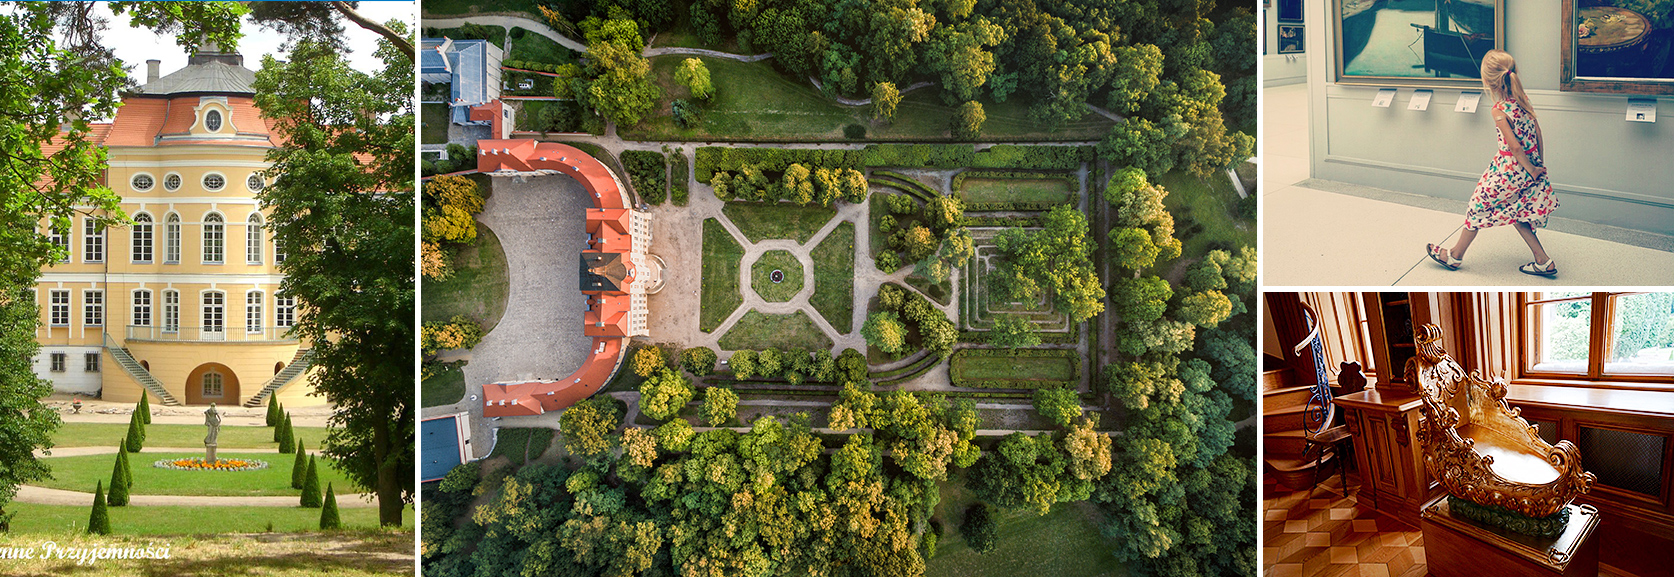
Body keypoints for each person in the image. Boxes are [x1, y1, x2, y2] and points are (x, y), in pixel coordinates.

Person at [1427, 49, 1558, 276]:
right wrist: (1537, 166)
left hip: (1509, 170)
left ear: (1488, 80)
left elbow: (1514, 147)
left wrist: (1529, 168)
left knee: (1476, 207)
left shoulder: (1499, 109)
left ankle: (1455, 256)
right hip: (1530, 166)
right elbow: (1538, 132)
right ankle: (1544, 262)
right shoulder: (1524, 101)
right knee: (1519, 213)